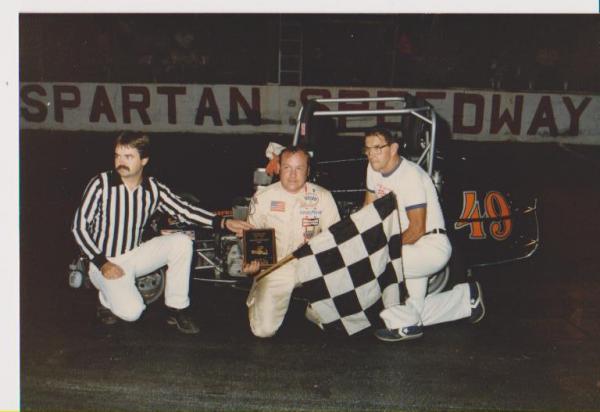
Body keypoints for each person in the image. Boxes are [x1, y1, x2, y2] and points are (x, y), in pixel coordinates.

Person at [72, 131, 252, 334]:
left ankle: (177, 308)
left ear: (144, 160)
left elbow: (185, 210)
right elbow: (78, 227)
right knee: (132, 313)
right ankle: (105, 298)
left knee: (182, 242)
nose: (120, 161)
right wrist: (102, 263)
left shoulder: (153, 189)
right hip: (103, 261)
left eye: (128, 156)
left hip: (135, 254)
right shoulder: (101, 184)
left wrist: (223, 222)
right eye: (117, 155)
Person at [362, 127, 485, 342]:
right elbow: (368, 209)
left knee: (380, 264)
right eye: (368, 149)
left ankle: (396, 319)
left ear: (393, 149)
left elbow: (417, 229)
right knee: (415, 311)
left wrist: (382, 251)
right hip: (407, 245)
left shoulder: (410, 176)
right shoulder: (373, 168)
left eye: (378, 148)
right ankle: (467, 299)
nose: (372, 154)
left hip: (429, 246)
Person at [243, 146, 340, 338]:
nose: (293, 175)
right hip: (277, 267)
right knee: (263, 331)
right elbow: (252, 238)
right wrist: (252, 267)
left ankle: (315, 309)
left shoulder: (323, 197)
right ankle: (257, 294)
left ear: (308, 171)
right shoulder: (263, 197)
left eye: (299, 168)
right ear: (278, 168)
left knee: (342, 322)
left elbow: (336, 240)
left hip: (313, 267)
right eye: (287, 168)